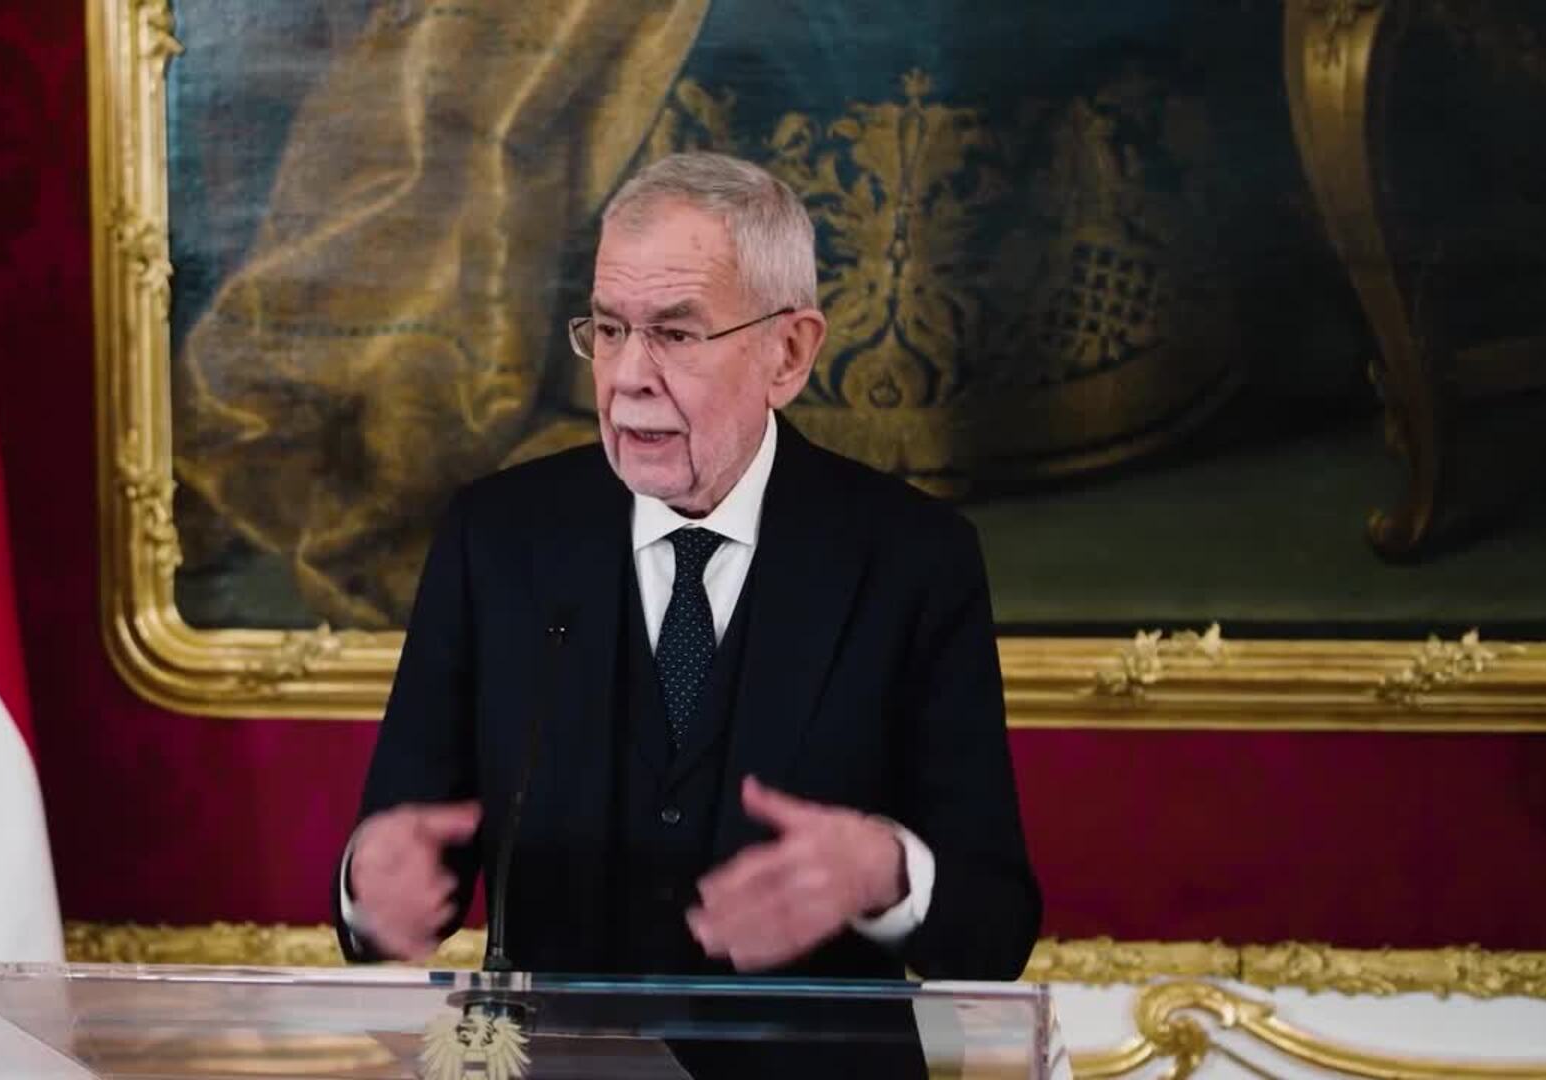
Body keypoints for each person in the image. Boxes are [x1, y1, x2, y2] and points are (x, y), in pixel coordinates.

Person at [335, 152, 1039, 984]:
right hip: (560, 1051)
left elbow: (994, 928)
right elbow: (404, 859)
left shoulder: (913, 558)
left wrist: (887, 874)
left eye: (675, 334)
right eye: (608, 330)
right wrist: (372, 890)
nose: (629, 378)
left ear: (787, 354)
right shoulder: (497, 540)